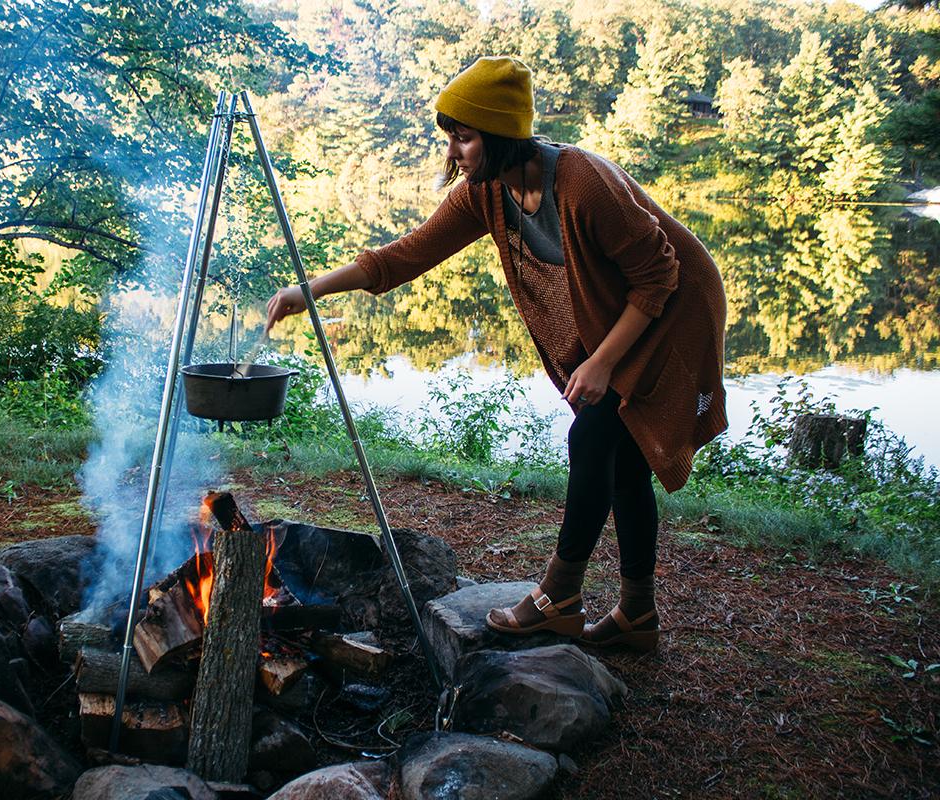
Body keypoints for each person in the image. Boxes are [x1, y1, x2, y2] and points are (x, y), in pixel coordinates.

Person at [264, 57, 727, 652]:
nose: (453, 153)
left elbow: (658, 276)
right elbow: (405, 255)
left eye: (464, 138)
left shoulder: (583, 183)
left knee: (592, 438)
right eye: (451, 138)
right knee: (624, 459)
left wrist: (603, 361)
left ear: (504, 136)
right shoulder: (486, 194)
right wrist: (311, 290)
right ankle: (637, 613)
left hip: (675, 308)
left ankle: (559, 596)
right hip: (633, 309)